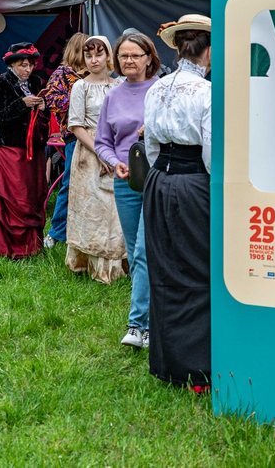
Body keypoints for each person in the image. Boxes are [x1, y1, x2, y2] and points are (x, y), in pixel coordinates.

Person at [143, 14, 213, 390]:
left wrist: (162, 176)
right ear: (207, 51)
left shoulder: (157, 87)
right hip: (192, 183)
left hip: (159, 181)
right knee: (196, 268)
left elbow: (151, 145)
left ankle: (166, 362)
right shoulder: (206, 93)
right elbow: (210, 153)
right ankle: (195, 367)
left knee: (164, 266)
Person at [95, 31, 162, 349]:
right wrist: (112, 161)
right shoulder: (113, 95)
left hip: (159, 179)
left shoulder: (163, 90)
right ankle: (150, 321)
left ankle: (138, 324)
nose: (129, 60)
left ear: (149, 57)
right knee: (137, 255)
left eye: (136, 54)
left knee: (144, 252)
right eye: (124, 56)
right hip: (125, 182)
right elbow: (102, 142)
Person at [63, 36, 125, 281]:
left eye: (99, 54)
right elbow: (76, 126)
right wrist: (101, 152)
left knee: (115, 208)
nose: (94, 60)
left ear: (108, 56)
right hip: (89, 152)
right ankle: (91, 262)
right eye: (89, 55)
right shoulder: (81, 86)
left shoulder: (118, 85)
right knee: (94, 209)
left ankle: (118, 261)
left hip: (117, 146)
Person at [0, 43, 49, 258]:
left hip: (34, 149)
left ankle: (32, 246)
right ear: (12, 64)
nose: (28, 69)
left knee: (32, 195)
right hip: (9, 148)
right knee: (13, 198)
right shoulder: (0, 82)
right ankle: (8, 247)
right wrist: (22, 104)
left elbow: (45, 116)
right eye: (23, 65)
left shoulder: (36, 81)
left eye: (30, 64)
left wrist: (43, 107)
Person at [41, 32, 87, 247]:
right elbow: (51, 100)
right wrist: (80, 97)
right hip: (73, 136)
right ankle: (56, 232)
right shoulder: (63, 73)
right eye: (88, 50)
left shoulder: (91, 74)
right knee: (70, 183)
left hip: (96, 136)